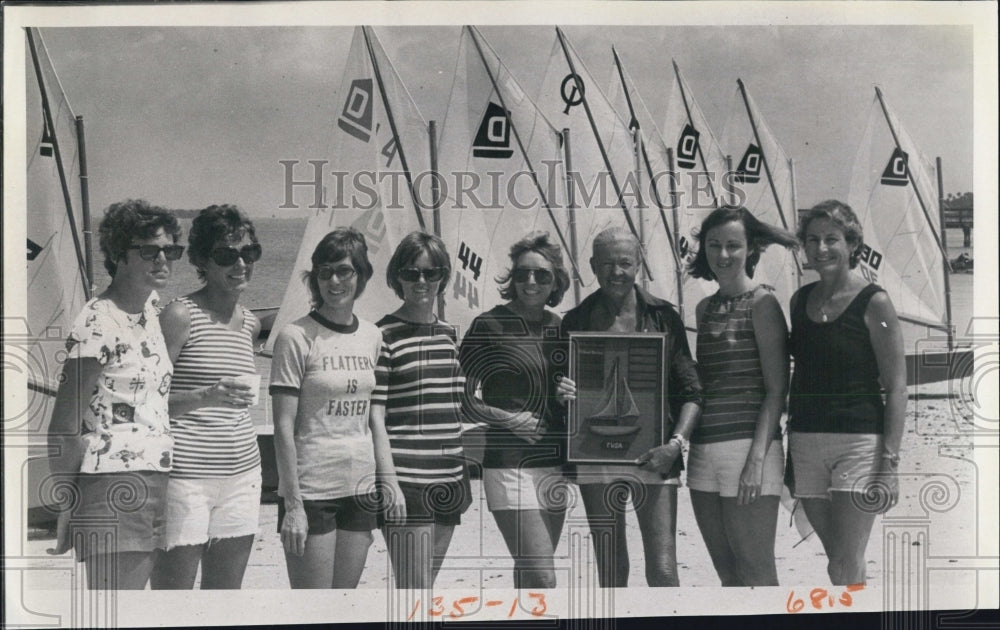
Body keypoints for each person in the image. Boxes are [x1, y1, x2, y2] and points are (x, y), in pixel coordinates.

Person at [375, 231, 536, 589]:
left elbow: (458, 405)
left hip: (450, 477)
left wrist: (514, 415)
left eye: (431, 273)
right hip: (408, 480)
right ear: (397, 277)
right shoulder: (383, 335)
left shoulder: (448, 334)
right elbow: (374, 418)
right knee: (413, 593)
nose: (421, 281)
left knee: (423, 590)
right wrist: (389, 483)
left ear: (443, 277)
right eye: (411, 272)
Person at [556, 227, 703, 587]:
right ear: (592, 265)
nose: (616, 272)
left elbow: (693, 393)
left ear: (638, 265)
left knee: (664, 570)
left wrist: (675, 445)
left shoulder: (663, 317)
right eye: (607, 264)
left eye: (625, 263)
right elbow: (562, 396)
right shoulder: (573, 321)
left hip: (655, 454)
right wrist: (562, 393)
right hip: (593, 455)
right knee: (610, 569)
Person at [47, 199, 183, 589]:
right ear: (117, 255)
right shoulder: (97, 322)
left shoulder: (151, 310)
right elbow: (63, 427)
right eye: (148, 249)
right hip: (111, 484)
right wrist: (68, 504)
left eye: (170, 250)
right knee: (118, 614)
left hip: (154, 476)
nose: (162, 259)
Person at [268, 228, 405, 589]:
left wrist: (386, 481)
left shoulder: (372, 336)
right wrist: (293, 505)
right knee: (314, 611)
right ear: (314, 277)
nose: (334, 280)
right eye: (325, 271)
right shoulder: (295, 336)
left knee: (346, 603)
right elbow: (283, 427)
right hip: (311, 490)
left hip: (359, 487)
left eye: (344, 270)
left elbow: (374, 420)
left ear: (360, 275)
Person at [788, 200, 906, 585]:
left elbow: (897, 387)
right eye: (812, 240)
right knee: (839, 559)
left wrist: (889, 465)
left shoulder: (876, 302)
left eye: (832, 239)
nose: (821, 248)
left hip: (858, 443)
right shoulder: (798, 301)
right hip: (805, 443)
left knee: (844, 560)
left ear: (852, 244)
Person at [151, 205, 264, 589]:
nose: (240, 263)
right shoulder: (180, 315)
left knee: (225, 600)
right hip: (185, 479)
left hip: (243, 477)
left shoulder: (251, 322)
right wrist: (207, 395)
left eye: (248, 253)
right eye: (225, 254)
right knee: (174, 603)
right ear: (202, 259)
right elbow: (144, 403)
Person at [686, 206, 799, 586]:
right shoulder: (704, 308)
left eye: (733, 245)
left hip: (748, 450)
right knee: (728, 573)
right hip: (702, 452)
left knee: (756, 568)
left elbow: (776, 390)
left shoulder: (763, 304)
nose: (722, 255)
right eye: (714, 245)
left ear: (751, 249)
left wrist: (756, 460)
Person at [458, 231, 572, 588]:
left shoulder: (561, 328)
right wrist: (508, 419)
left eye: (541, 274)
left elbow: (571, 394)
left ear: (555, 280)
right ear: (512, 278)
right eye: (522, 273)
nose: (531, 281)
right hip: (508, 465)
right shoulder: (488, 326)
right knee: (543, 575)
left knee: (530, 573)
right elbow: (459, 400)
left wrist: (570, 393)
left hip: (553, 463)